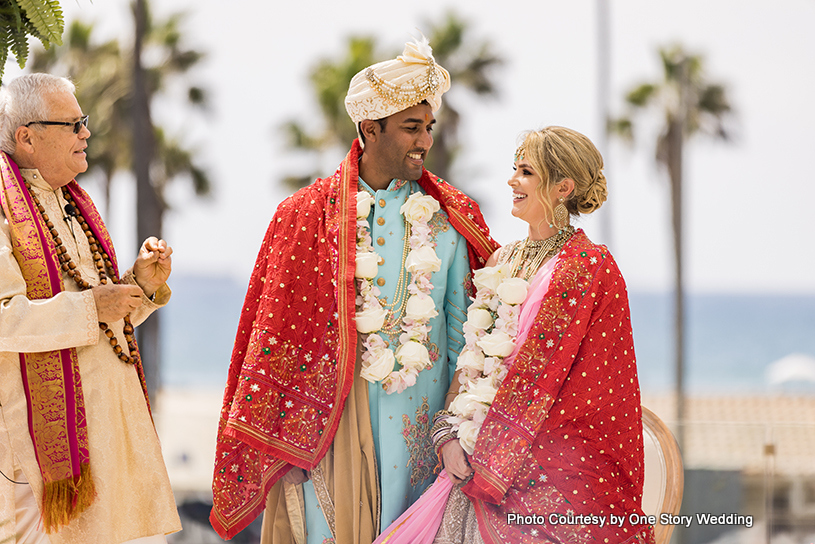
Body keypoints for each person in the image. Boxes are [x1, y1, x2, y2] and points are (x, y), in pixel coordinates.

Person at [210, 37, 498, 544]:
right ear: (370, 129)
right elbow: (273, 335)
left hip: (424, 437)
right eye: (411, 127)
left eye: (428, 128)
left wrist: (459, 435)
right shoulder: (304, 215)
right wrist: (284, 442)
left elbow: (466, 341)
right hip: (331, 433)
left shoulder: (453, 220)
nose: (424, 141)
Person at [377, 126, 655, 544]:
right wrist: (448, 434)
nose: (511, 181)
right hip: (474, 457)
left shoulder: (588, 267)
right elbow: (474, 360)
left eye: (525, 172)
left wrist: (486, 450)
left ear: (563, 187)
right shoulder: (502, 259)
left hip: (543, 472)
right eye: (514, 169)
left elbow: (556, 384)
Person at [0, 74, 181, 544]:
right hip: (35, 452)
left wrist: (140, 285)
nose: (86, 134)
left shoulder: (74, 204)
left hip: (104, 442)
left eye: (84, 122)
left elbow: (102, 325)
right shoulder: (5, 207)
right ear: (27, 137)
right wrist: (90, 308)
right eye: (73, 124)